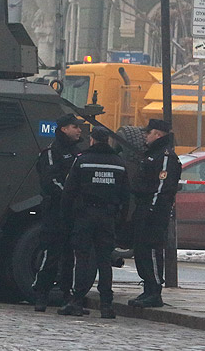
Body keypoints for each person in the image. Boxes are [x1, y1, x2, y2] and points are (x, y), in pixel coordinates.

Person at [58, 126, 129, 318]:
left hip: (85, 215)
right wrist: (119, 220)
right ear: (107, 140)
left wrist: (67, 217)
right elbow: (125, 196)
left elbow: (69, 192)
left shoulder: (82, 161)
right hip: (107, 217)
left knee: (82, 259)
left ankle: (77, 302)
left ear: (92, 140)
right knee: (104, 260)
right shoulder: (119, 163)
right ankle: (106, 305)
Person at [30, 113, 83, 311]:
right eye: (74, 126)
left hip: (74, 212)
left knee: (71, 255)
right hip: (55, 210)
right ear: (63, 129)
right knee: (50, 252)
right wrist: (69, 198)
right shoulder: (52, 152)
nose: (78, 130)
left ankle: (67, 294)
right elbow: (51, 181)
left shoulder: (78, 153)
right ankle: (41, 294)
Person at [129, 118, 182, 307]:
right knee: (141, 249)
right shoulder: (152, 154)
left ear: (158, 134)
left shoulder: (165, 156)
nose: (145, 135)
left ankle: (154, 290)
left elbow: (162, 186)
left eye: (148, 132)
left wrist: (151, 208)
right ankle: (148, 288)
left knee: (151, 249)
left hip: (154, 210)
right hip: (144, 208)